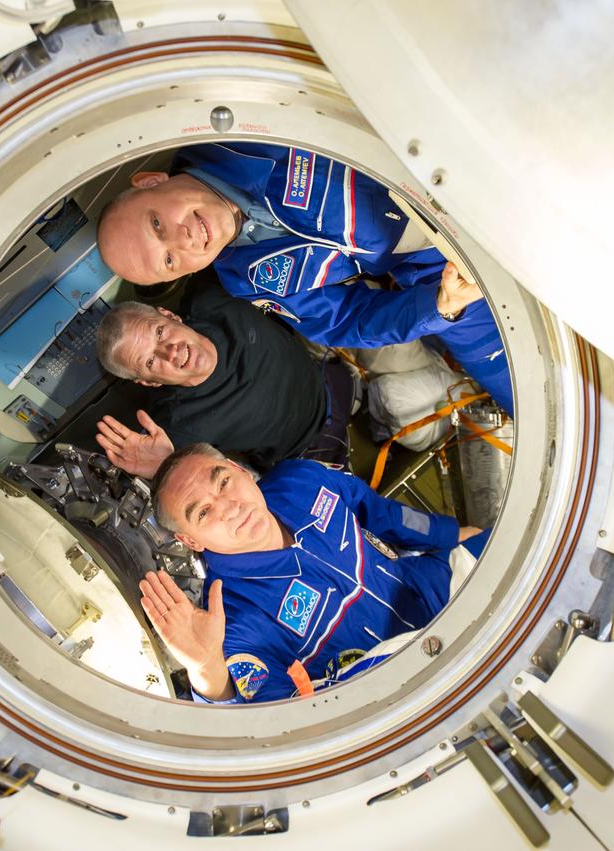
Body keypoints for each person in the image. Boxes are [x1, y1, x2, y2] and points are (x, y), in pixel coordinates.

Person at [95, 142, 514, 415]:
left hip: (454, 161)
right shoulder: (247, 280)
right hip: (434, 268)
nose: (183, 240)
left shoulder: (239, 126)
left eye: (156, 223)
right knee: (527, 391)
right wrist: (439, 307)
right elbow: (346, 320)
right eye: (170, 260)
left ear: (150, 181)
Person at [138, 443, 490, 703]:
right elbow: (267, 723)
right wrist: (207, 673)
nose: (231, 508)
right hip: (405, 680)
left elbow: (381, 512)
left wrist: (449, 534)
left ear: (239, 469)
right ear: (190, 540)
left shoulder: (300, 480)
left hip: (438, 582)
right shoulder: (233, 621)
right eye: (203, 513)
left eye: (224, 482)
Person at [94, 274, 353, 478]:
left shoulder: (210, 294)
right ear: (150, 381)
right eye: (150, 361)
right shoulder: (175, 424)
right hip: (315, 453)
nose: (170, 352)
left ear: (170, 316)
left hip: (334, 377)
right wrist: (164, 469)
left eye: (160, 333)